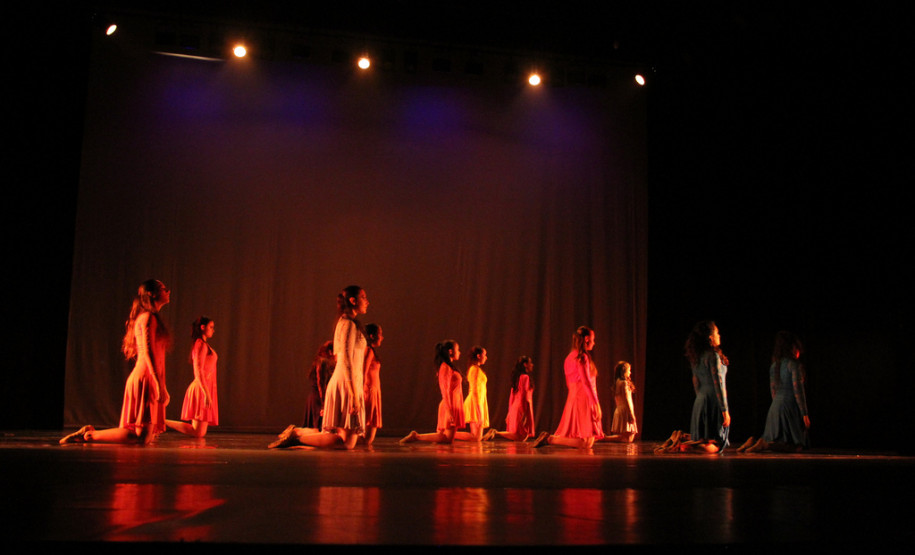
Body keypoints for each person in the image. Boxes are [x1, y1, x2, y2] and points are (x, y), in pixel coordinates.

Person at [60, 279, 172, 445]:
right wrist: (157, 382)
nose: (168, 291)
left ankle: (89, 434)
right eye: (164, 288)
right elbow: (149, 353)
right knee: (141, 438)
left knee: (144, 438)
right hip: (145, 378)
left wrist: (162, 384)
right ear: (152, 294)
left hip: (148, 377)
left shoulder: (151, 318)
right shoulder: (148, 318)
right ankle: (90, 435)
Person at [269, 286, 369, 450]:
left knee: (346, 441)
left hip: (348, 382)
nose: (367, 302)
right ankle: (297, 437)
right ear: (353, 301)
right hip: (346, 383)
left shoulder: (348, 323)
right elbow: (345, 360)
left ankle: (297, 434)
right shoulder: (348, 325)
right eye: (364, 297)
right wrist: (352, 392)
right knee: (346, 443)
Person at [738, 331, 810, 453]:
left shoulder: (774, 366)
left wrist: (776, 409)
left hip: (775, 407)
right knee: (796, 446)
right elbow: (798, 391)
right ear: (793, 347)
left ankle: (754, 441)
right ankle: (765, 445)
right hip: (788, 406)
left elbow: (773, 391)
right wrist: (804, 413)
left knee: (779, 440)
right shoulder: (793, 365)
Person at [533, 326, 603, 448]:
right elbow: (586, 382)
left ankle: (551, 439)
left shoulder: (569, 357)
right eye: (593, 339)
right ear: (586, 339)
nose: (594, 342)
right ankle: (550, 439)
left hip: (574, 397)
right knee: (586, 443)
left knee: (588, 441)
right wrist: (595, 403)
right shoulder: (582, 357)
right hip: (584, 398)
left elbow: (568, 383)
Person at [400, 341, 477, 444]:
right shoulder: (445, 367)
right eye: (457, 350)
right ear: (450, 351)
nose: (459, 352)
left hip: (453, 404)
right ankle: (417, 437)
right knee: (447, 439)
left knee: (444, 437)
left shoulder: (450, 367)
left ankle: (416, 436)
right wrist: (449, 411)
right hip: (450, 405)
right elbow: (444, 390)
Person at [166, 317, 219, 438]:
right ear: (202, 327)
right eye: (211, 327)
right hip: (201, 388)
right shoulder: (200, 344)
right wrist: (205, 392)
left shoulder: (203, 345)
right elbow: (198, 369)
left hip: (204, 387)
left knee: (199, 432)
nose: (213, 330)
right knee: (198, 432)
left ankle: (162, 421)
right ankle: (161, 421)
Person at [682, 320, 730, 453]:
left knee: (704, 438)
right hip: (713, 399)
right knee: (716, 443)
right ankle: (687, 448)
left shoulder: (697, 356)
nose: (719, 335)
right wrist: (724, 410)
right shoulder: (713, 356)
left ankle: (686, 444)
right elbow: (718, 384)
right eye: (717, 333)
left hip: (701, 399)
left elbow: (695, 382)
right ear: (710, 338)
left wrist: (701, 403)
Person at [494, 356, 536, 441]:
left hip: (515, 407)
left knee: (521, 435)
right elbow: (525, 396)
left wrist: (509, 412)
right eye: (530, 363)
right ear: (525, 364)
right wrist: (525, 414)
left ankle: (496, 433)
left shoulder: (517, 378)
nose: (532, 365)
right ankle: (496, 433)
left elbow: (512, 396)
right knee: (522, 436)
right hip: (522, 407)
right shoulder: (525, 377)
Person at [463, 346, 495, 441]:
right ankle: (448, 435)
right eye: (484, 355)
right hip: (475, 403)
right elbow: (474, 391)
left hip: (479, 402)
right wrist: (479, 411)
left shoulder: (477, 369)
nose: (486, 357)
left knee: (477, 437)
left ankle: (449, 435)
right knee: (476, 437)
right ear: (478, 356)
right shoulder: (474, 369)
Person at [604, 361, 638, 443]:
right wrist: (631, 414)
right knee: (628, 439)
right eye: (629, 370)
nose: (630, 372)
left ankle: (606, 438)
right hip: (625, 410)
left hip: (619, 409)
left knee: (628, 438)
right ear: (624, 372)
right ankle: (605, 438)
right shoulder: (624, 383)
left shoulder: (617, 382)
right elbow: (627, 399)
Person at [303, 341, 335, 429]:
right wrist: (323, 404)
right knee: (318, 427)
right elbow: (321, 384)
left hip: (319, 397)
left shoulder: (326, 362)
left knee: (318, 427)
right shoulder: (323, 362)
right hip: (318, 398)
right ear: (330, 352)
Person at [362, 323, 383, 446]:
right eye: (380, 334)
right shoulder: (368, 350)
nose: (382, 337)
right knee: (367, 439)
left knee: (368, 439)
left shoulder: (370, 350)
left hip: (373, 391)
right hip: (369, 391)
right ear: (372, 336)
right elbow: (363, 371)